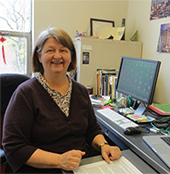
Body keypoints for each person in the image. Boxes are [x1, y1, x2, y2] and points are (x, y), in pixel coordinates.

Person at [2, 28, 121, 173]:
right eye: (50, 50)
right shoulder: (25, 93)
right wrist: (59, 161)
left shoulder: (81, 91)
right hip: (41, 169)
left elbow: (91, 130)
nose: (57, 56)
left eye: (63, 50)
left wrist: (103, 145)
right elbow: (14, 146)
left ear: (71, 56)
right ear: (39, 56)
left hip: (80, 167)